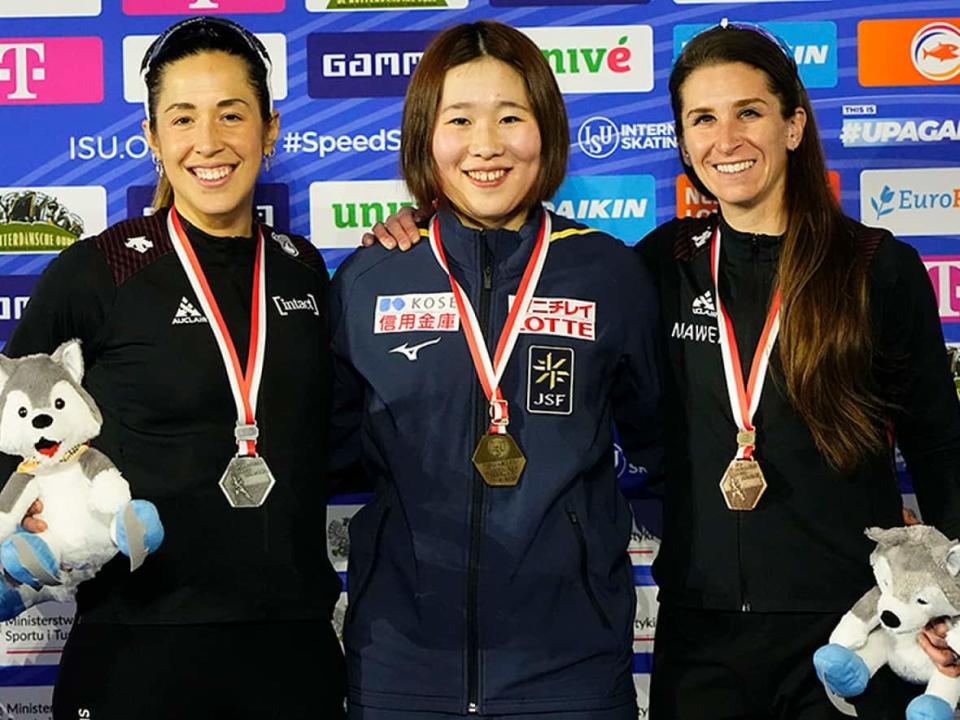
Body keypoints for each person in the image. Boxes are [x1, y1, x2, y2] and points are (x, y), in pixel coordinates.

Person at [366, 20, 960, 720]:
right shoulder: (656, 265)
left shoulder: (875, 267)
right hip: (700, 632)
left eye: (750, 113)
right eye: (702, 118)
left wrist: (950, 604)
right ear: (682, 141)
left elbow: (939, 446)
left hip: (851, 628)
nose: (726, 139)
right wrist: (415, 230)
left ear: (794, 125)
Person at [0, 17, 345, 720]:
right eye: (182, 118)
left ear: (270, 130)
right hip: (138, 651)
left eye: (232, 114)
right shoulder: (98, 271)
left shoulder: (304, 267)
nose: (209, 142)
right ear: (153, 138)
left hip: (294, 647)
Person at [329, 20, 661, 720]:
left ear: (547, 129)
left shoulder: (609, 274)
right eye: (459, 120)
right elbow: (331, 453)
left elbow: (663, 446)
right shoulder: (370, 278)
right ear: (426, 137)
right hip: (402, 671)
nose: (486, 145)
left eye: (511, 116)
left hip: (569, 671)